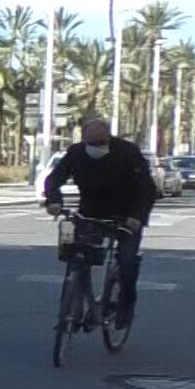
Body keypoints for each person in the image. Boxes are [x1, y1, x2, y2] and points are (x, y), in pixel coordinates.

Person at [43, 117, 156, 329]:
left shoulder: (127, 152)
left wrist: (136, 217)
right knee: (75, 254)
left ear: (109, 138)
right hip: (90, 212)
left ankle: (124, 307)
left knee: (127, 261)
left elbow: (147, 189)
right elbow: (53, 180)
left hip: (126, 215)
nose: (97, 147)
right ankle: (67, 311)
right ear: (84, 140)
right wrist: (54, 201)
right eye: (91, 143)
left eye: (101, 142)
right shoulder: (76, 153)